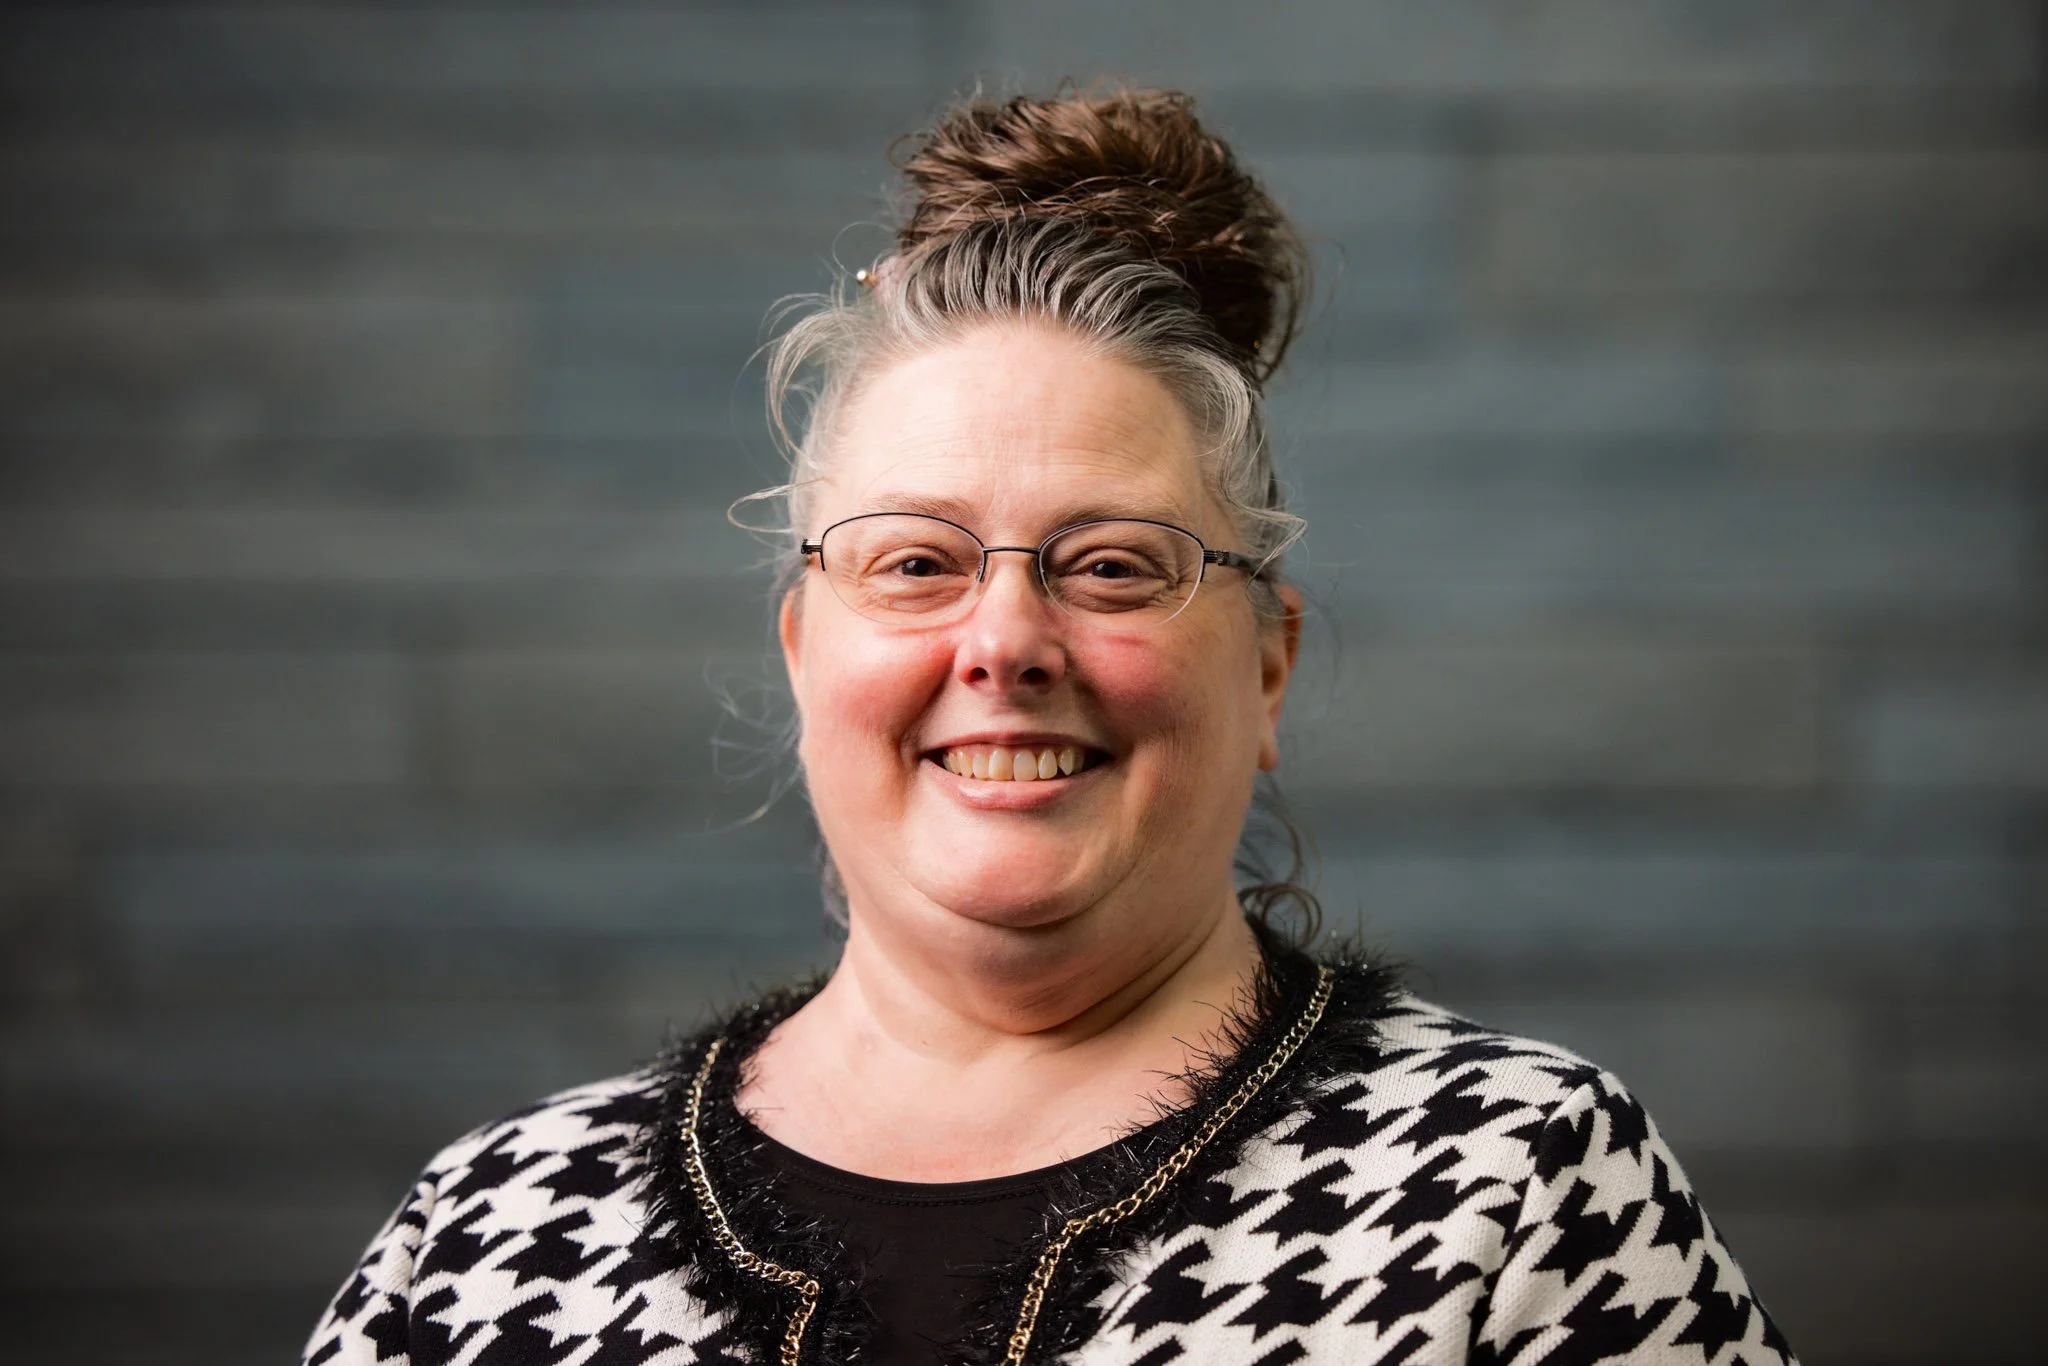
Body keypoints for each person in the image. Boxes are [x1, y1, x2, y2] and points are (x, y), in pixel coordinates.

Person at [305, 88, 1796, 1366]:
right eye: (916, 563)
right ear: (804, 646)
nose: (1006, 640)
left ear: (1267, 668)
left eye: (1110, 565)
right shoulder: (489, 1235)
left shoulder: (1517, 1188)